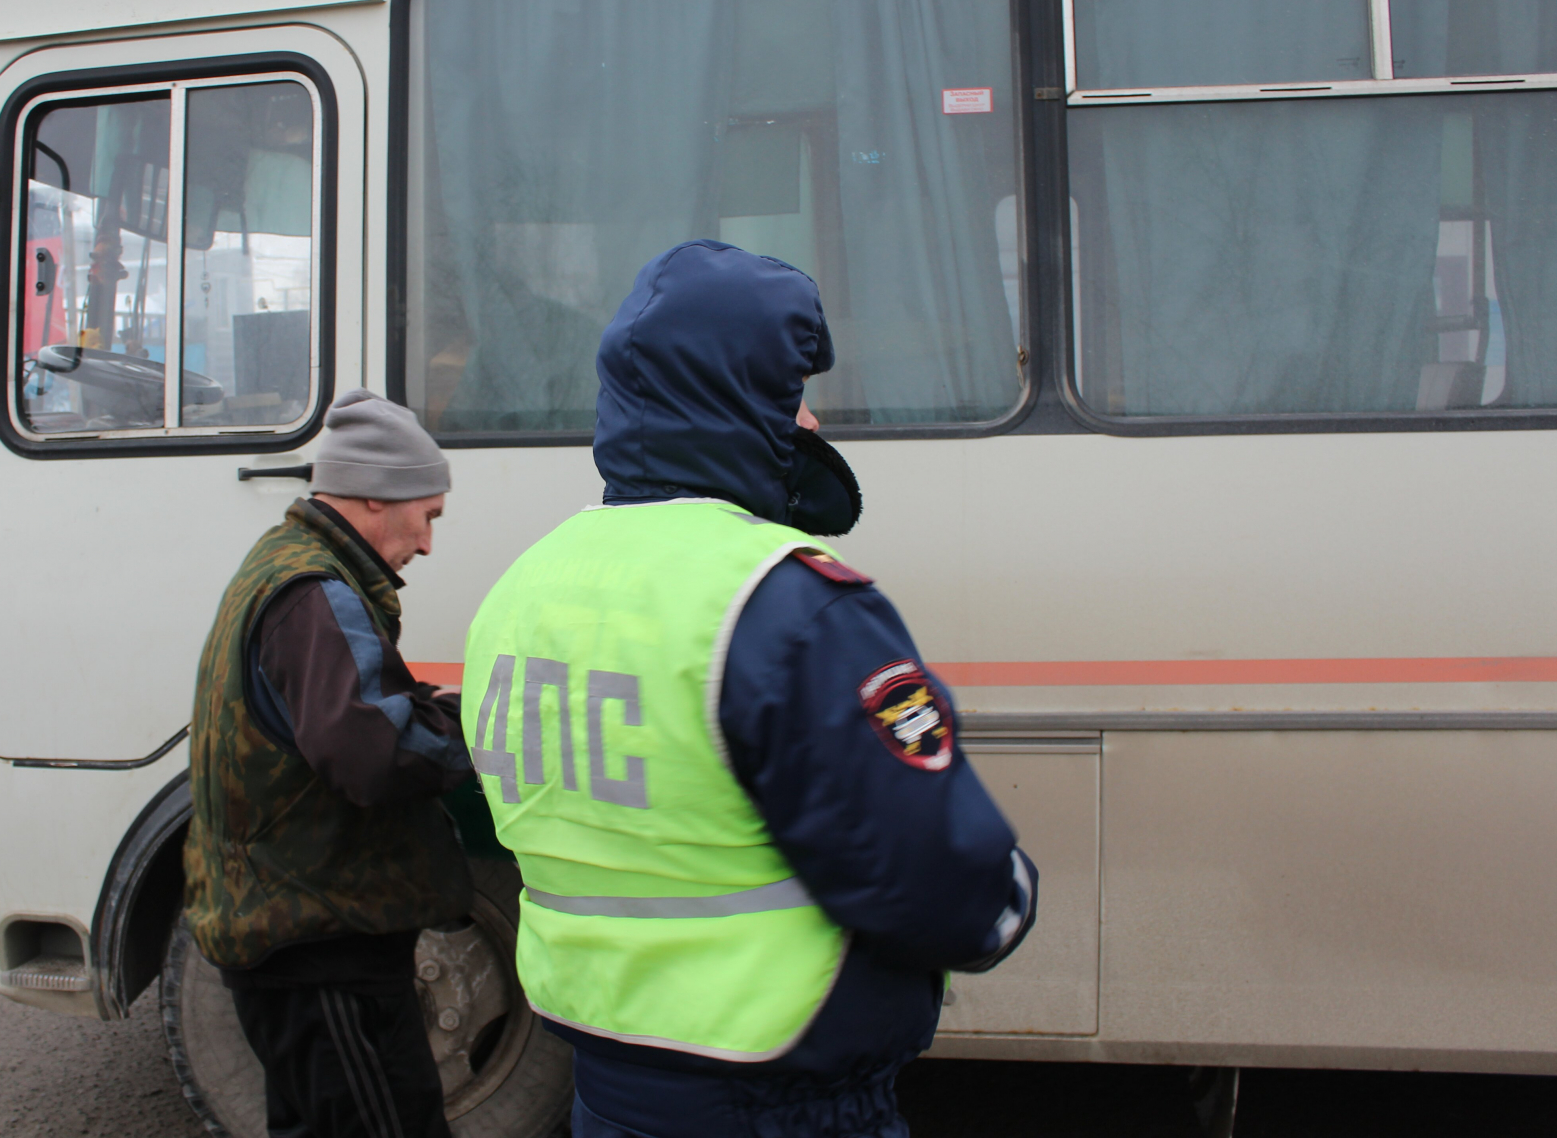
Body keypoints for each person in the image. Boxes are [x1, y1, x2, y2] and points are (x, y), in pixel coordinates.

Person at [463, 240, 1038, 1138]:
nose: (810, 419)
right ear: (749, 399)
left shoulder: (522, 589)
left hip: (607, 1087)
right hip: (781, 1100)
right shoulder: (792, 603)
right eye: (794, 391)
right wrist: (1006, 897)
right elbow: (935, 874)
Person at [185, 388, 475, 1138]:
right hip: (322, 949)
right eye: (429, 516)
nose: (429, 542)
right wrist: (477, 724)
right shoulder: (317, 591)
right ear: (379, 499)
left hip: (292, 937)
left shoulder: (284, 564)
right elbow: (374, 752)